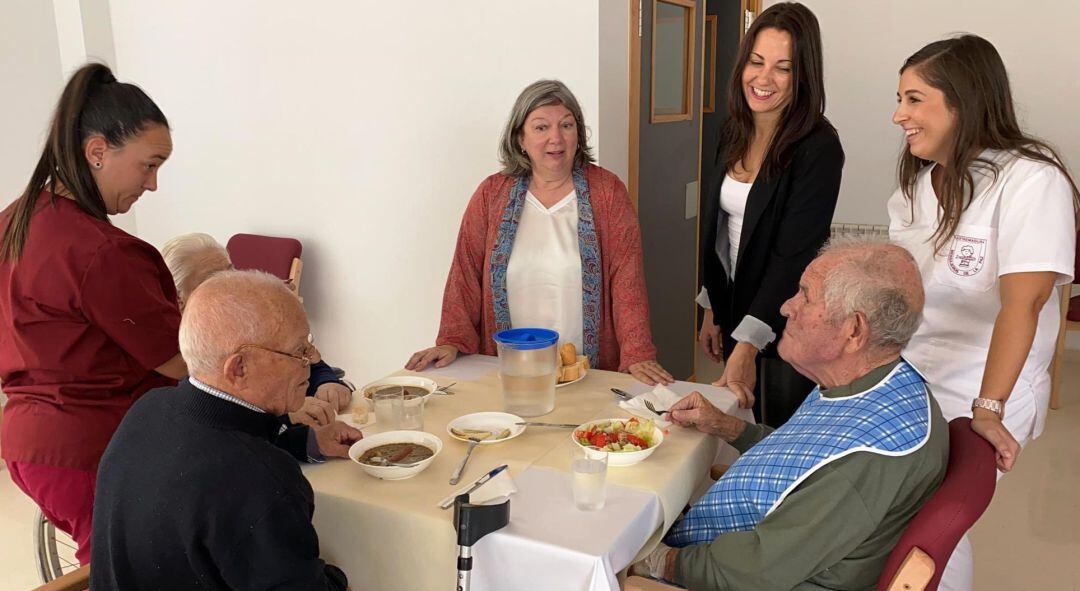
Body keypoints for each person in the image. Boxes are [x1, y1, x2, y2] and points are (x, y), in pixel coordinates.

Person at [631, 240, 948, 590]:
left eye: (805, 296)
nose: (785, 307)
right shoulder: (871, 383)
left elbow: (755, 570)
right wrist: (728, 426)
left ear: (854, 331)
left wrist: (654, 560)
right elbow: (805, 460)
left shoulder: (866, 457)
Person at [888, 34, 1079, 591]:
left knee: (924, 520)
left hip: (988, 382)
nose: (898, 114)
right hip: (915, 374)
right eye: (899, 98)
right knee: (882, 506)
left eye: (914, 99)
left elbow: (1027, 302)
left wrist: (988, 409)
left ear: (964, 101)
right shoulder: (919, 186)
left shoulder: (1031, 180)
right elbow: (906, 291)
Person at [0, 63, 185, 565]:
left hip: (28, 443)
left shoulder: (14, 221)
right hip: (91, 447)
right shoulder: (100, 252)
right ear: (97, 151)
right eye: (149, 165)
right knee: (126, 571)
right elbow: (180, 362)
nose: (152, 185)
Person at [91, 270, 359, 590]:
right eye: (298, 351)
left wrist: (307, 442)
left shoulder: (150, 408)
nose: (312, 361)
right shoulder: (259, 480)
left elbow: (212, 454)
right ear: (239, 368)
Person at [406, 80, 672, 385]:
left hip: (587, 372)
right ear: (520, 137)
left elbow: (627, 279)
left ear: (579, 133)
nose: (556, 138)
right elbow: (464, 273)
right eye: (541, 127)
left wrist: (637, 352)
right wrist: (451, 339)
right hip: (507, 371)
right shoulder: (492, 194)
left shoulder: (607, 192)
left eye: (567, 125)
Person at [696, 2, 844, 427]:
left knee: (774, 431)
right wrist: (710, 305)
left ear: (803, 76)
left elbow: (792, 257)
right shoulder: (733, 130)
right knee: (738, 425)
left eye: (782, 68)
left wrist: (747, 343)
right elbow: (719, 228)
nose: (763, 78)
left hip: (785, 319)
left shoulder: (818, 147)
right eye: (756, 62)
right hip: (736, 307)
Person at [162, 232, 354, 426]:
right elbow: (220, 421)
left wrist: (327, 381)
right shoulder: (175, 354)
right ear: (178, 298)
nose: (231, 282)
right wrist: (283, 415)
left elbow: (301, 355)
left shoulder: (248, 313)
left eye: (231, 270)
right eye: (213, 278)